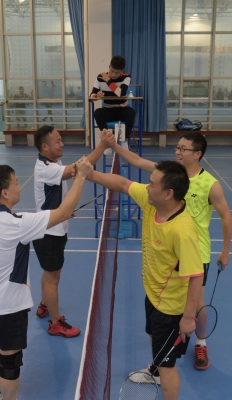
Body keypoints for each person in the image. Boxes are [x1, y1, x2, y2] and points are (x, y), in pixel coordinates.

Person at [0, 158, 94, 400]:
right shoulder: (18, 224)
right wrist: (81, 176)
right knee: (10, 360)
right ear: (5, 192)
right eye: (16, 182)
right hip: (9, 305)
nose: (20, 186)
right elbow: (62, 212)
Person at [106, 131, 232, 371]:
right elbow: (137, 161)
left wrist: (225, 250)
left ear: (197, 154)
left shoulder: (210, 185)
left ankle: (201, 343)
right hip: (168, 250)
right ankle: (162, 352)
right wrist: (114, 146)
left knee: (197, 304)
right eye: (177, 147)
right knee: (164, 302)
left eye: (184, 149)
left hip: (195, 252)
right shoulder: (169, 175)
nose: (178, 152)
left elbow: (226, 215)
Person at [88, 161, 203, 400]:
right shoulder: (152, 202)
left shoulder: (183, 231)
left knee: (168, 365)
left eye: (152, 184)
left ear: (168, 193)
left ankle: (162, 373)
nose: (147, 187)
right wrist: (89, 174)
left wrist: (188, 318)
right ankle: (156, 370)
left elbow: (196, 275)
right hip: (153, 295)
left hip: (171, 309)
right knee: (155, 342)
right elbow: (122, 183)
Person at [32, 125, 115, 337]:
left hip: (52, 226)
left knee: (49, 273)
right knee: (53, 277)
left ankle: (44, 304)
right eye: (58, 141)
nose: (62, 144)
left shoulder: (52, 163)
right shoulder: (46, 168)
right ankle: (55, 323)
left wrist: (64, 210)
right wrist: (102, 145)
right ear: (45, 146)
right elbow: (79, 170)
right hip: (49, 233)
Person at [90, 55, 136, 141]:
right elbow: (92, 95)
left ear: (121, 71)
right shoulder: (100, 77)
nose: (113, 75)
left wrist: (108, 80)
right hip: (108, 110)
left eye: (117, 73)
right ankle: (107, 139)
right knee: (98, 113)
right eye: (112, 71)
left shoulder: (126, 77)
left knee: (131, 112)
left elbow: (120, 93)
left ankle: (125, 140)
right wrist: (97, 96)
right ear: (109, 67)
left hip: (122, 110)